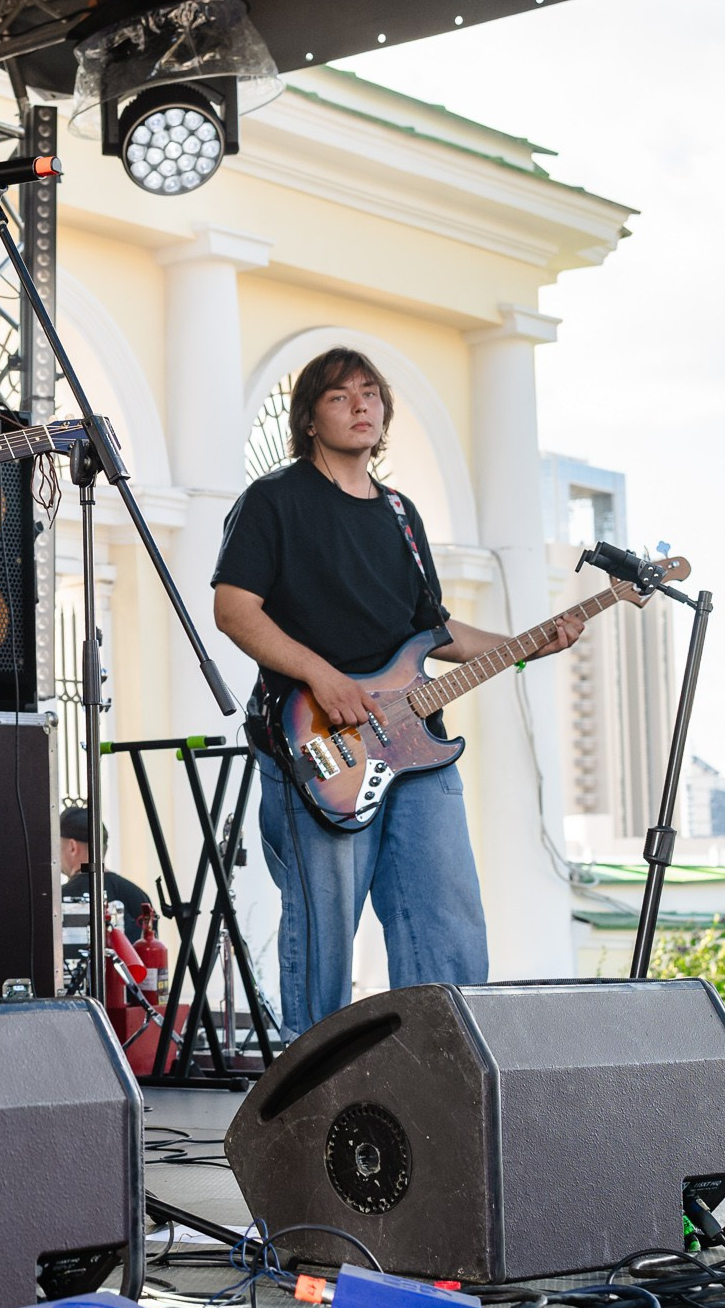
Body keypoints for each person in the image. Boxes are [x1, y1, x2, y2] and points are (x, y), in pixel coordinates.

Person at [211, 347, 580, 1036]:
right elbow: (234, 609)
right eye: (339, 396)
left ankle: (446, 1066)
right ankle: (314, 1086)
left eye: (371, 392)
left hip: (418, 743)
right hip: (318, 740)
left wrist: (524, 643)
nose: (361, 405)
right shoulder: (274, 500)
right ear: (309, 420)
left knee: (448, 920)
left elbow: (430, 631)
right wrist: (322, 675)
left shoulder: (402, 515)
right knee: (324, 933)